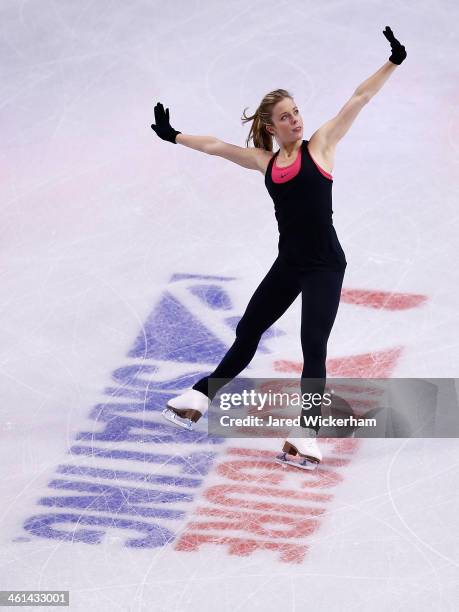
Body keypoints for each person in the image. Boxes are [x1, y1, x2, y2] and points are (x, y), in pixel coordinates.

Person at [150, 26, 406, 470]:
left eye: (297, 112)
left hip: (325, 265)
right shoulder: (265, 162)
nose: (296, 120)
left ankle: (306, 436)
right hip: (289, 264)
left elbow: (358, 100)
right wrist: (174, 136)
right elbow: (216, 147)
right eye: (286, 117)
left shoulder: (320, 147)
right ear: (271, 127)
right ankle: (197, 397)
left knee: (314, 347)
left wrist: (393, 62)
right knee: (248, 330)